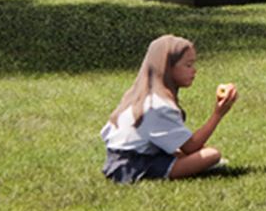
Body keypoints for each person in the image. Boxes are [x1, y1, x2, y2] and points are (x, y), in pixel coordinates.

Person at [99, 34, 238, 183]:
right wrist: (218, 114)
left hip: (119, 161)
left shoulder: (137, 97)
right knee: (212, 155)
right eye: (188, 65)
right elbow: (191, 146)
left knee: (185, 153)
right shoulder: (158, 106)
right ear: (167, 68)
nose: (194, 70)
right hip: (136, 165)